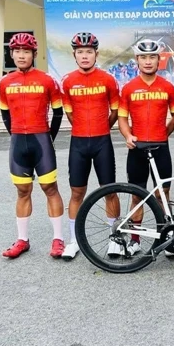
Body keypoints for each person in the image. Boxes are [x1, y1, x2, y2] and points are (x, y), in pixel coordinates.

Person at [0, 32, 66, 259]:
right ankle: (22, 240)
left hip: (41, 141)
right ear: (11, 54)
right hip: (18, 142)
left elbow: (58, 113)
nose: (21, 55)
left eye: (26, 51)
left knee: (50, 189)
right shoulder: (5, 82)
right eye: (17, 51)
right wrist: (16, 135)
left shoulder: (47, 80)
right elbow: (5, 115)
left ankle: (58, 240)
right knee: (22, 190)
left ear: (34, 54)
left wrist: (49, 138)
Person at [60, 32, 120, 260]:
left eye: (89, 52)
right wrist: (84, 129)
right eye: (80, 52)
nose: (85, 56)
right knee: (77, 192)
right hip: (78, 143)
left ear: (96, 54)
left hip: (102, 141)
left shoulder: (108, 79)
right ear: (74, 55)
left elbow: (114, 111)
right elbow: (69, 112)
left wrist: (101, 128)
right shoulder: (67, 81)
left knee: (110, 191)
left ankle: (115, 238)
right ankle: (75, 241)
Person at [118, 39, 174, 256]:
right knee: (137, 195)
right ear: (137, 60)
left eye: (152, 57)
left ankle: (167, 238)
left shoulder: (168, 87)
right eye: (143, 57)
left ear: (158, 59)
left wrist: (164, 134)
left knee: (164, 194)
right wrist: (128, 135)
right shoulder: (128, 88)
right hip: (137, 148)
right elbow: (122, 118)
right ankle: (135, 240)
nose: (148, 61)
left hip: (161, 147)